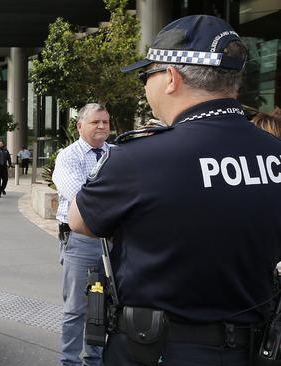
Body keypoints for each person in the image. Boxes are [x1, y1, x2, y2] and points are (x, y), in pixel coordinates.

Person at [68, 15, 281, 366]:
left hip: (156, 350)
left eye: (145, 75)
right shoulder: (273, 153)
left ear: (171, 77)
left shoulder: (140, 158)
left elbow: (80, 220)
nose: (144, 86)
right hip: (250, 349)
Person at [52, 103, 110, 366]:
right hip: (81, 241)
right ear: (79, 126)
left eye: (105, 122)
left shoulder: (118, 154)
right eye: (95, 122)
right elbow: (81, 197)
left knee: (104, 307)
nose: (101, 126)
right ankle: (70, 362)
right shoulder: (68, 156)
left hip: (113, 243)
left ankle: (94, 361)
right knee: (77, 309)